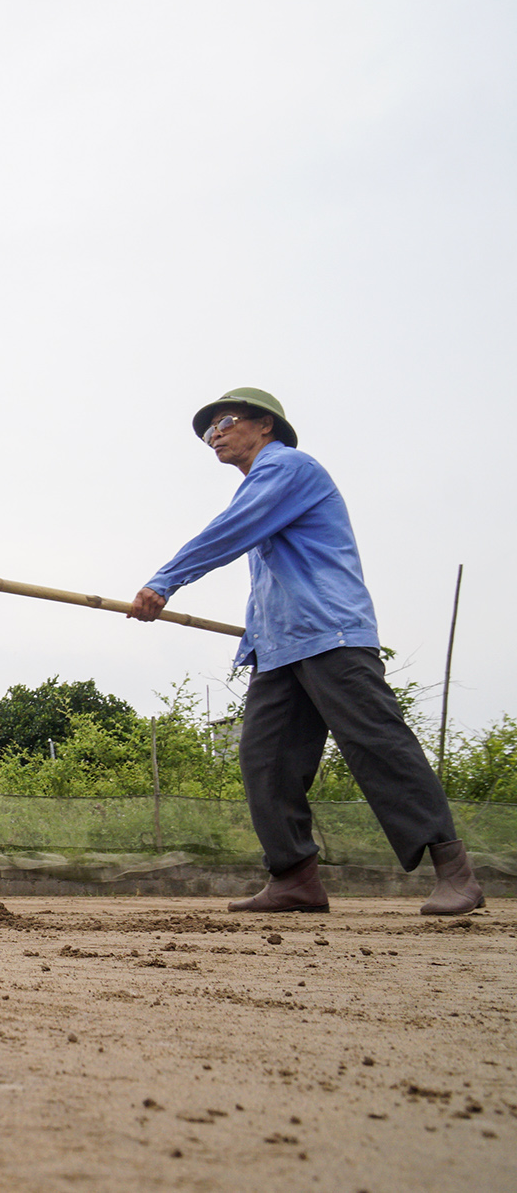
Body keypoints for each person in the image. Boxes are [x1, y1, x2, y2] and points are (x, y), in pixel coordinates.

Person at [128, 388, 483, 915]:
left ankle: (454, 872)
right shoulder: (262, 491)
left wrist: (164, 582)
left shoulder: (287, 468)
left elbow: (230, 531)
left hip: (331, 635)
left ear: (265, 424)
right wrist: (255, 638)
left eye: (225, 422)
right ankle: (294, 878)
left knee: (376, 743)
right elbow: (273, 583)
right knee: (266, 759)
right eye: (208, 433)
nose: (215, 435)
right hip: (277, 650)